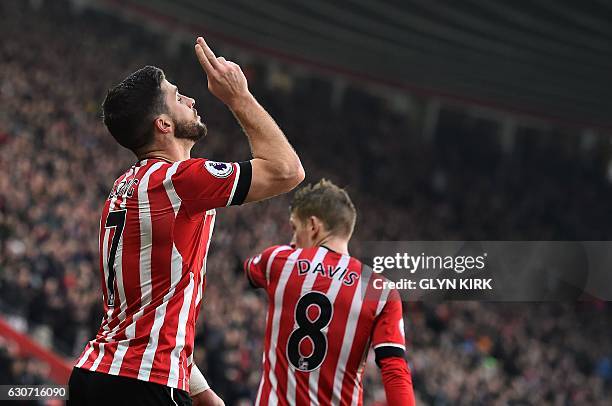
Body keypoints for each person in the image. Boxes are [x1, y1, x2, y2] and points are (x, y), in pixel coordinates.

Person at [68, 37, 305, 405]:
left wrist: (200, 390)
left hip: (97, 374)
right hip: (142, 383)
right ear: (163, 124)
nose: (192, 100)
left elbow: (146, 311)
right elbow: (287, 171)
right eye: (178, 97)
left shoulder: (123, 186)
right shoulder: (180, 181)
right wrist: (238, 97)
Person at [244, 180, 415, 405]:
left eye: (295, 229)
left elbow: (249, 268)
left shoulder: (278, 261)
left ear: (313, 225)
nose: (293, 241)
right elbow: (394, 370)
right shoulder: (380, 290)